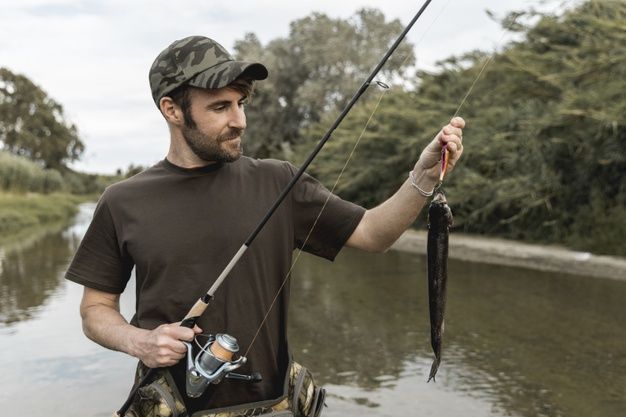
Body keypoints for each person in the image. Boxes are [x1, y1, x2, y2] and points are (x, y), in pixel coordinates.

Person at [65, 35, 464, 416]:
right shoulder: (122, 201)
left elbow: (375, 234)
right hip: (167, 406)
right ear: (172, 110)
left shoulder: (279, 182)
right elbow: (95, 311)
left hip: (274, 407)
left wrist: (423, 176)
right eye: (220, 107)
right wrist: (141, 341)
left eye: (241, 103)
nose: (239, 120)